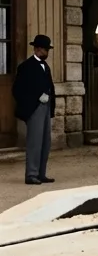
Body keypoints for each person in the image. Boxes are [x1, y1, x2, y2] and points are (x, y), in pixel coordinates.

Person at [12, 34, 56, 185]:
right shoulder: (26, 66)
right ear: (37, 49)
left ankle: (40, 173)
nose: (47, 53)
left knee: (45, 142)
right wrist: (34, 100)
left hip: (46, 106)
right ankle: (31, 174)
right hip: (35, 108)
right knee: (34, 142)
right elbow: (17, 89)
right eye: (45, 49)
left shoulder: (45, 66)